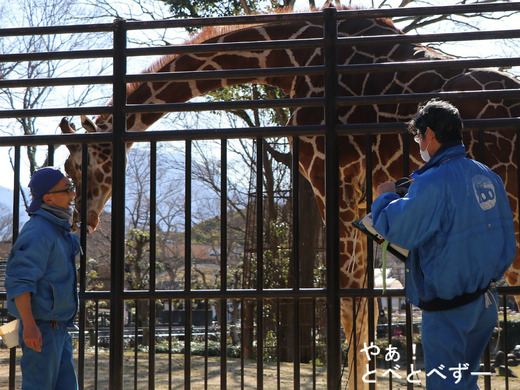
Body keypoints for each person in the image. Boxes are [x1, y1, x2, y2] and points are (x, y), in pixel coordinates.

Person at [371, 99, 516, 389]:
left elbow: (402, 229)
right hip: (483, 303)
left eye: (417, 137)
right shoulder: (488, 176)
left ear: (429, 135)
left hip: (448, 308)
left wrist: (385, 197)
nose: (418, 143)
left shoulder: (432, 181)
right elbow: (505, 240)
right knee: (464, 381)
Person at [4, 167, 81, 390]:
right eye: (68, 190)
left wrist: (86, 227)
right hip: (42, 329)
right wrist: (29, 327)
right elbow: (19, 282)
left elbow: (71, 244)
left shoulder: (56, 230)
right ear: (48, 197)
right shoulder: (38, 231)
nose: (73, 195)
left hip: (59, 329)